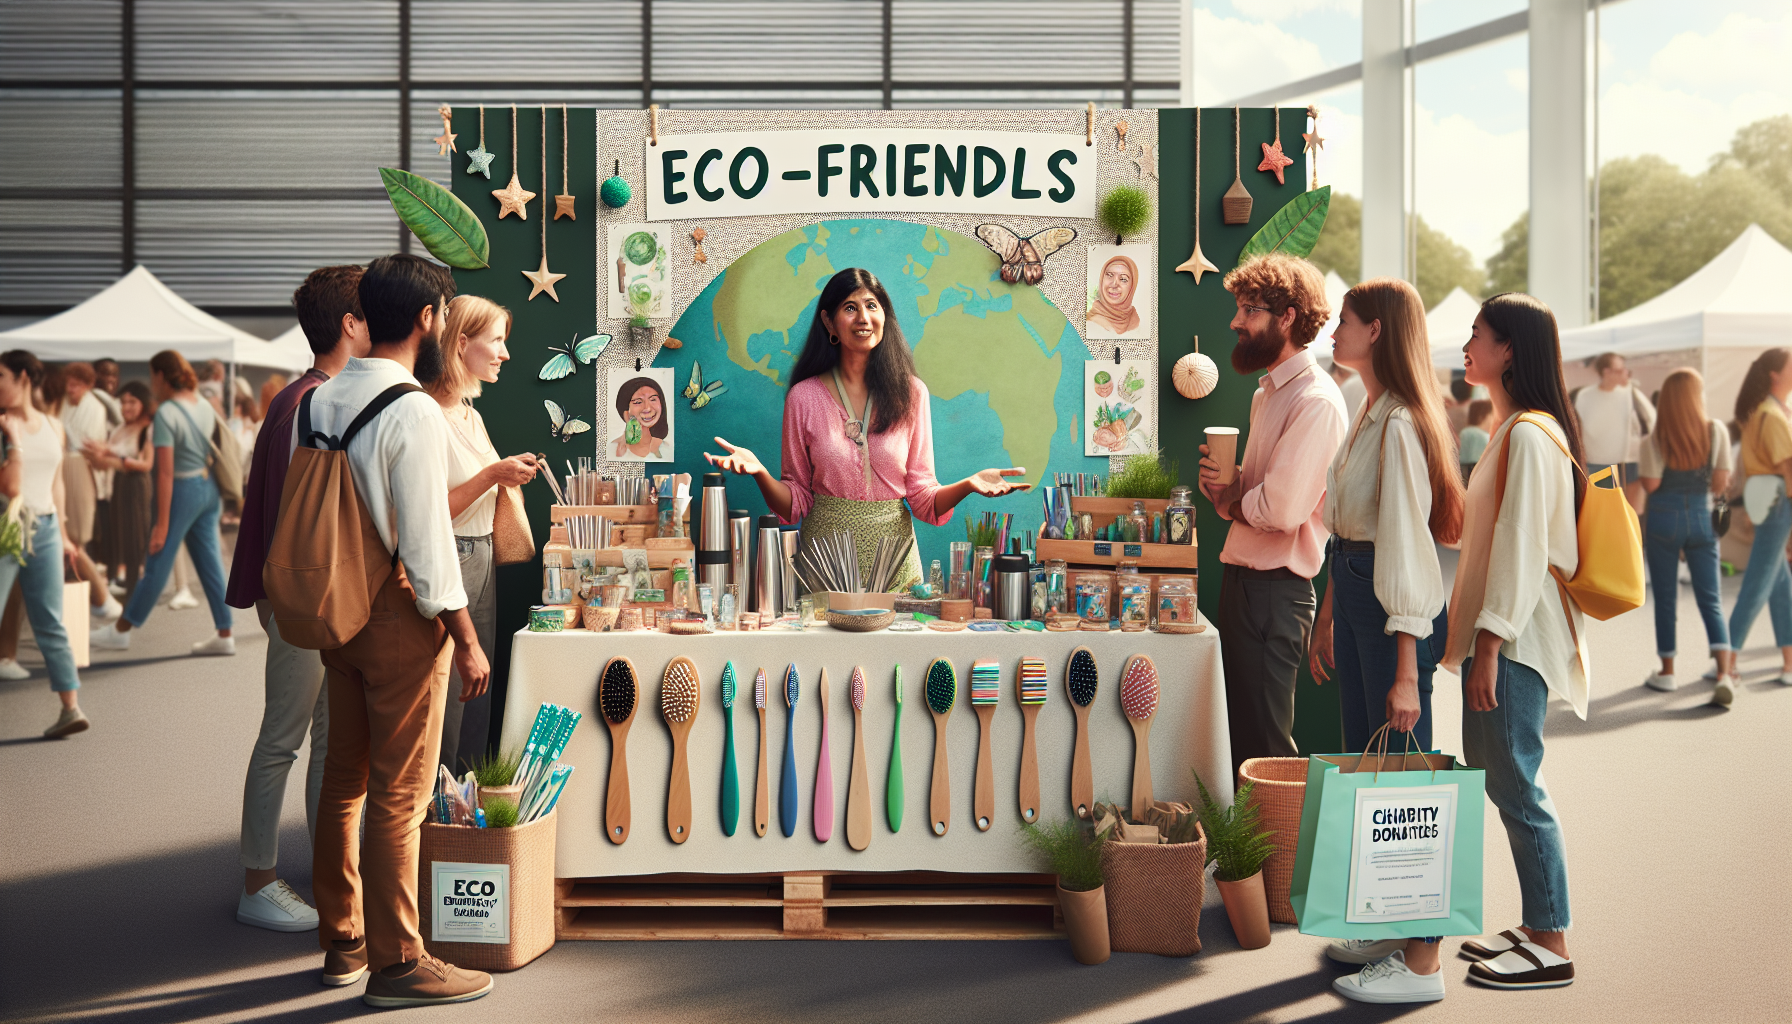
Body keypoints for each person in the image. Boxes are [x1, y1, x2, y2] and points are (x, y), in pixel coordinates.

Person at [303, 254, 493, 1006]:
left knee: (344, 780)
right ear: (427, 320)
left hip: (337, 610)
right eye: (444, 314)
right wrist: (465, 634)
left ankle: (342, 941)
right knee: (401, 794)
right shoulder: (411, 407)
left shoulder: (324, 396)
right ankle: (398, 962)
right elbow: (424, 538)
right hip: (398, 615)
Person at [1314, 278, 1464, 998]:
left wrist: (1408, 665)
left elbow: (1407, 546)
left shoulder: (1399, 421)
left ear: (1375, 330)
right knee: (1371, 774)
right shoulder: (1370, 408)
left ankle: (1423, 961)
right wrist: (1329, 613)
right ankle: (1386, 921)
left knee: (1407, 785)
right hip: (1359, 595)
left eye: (1343, 321)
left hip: (1391, 612)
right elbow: (1349, 530)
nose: (1333, 332)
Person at [704, 267, 1028, 590]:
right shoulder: (803, 397)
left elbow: (924, 500)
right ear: (829, 322)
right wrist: (760, 472)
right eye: (850, 308)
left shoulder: (913, 394)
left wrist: (969, 484)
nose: (863, 317)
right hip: (823, 565)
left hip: (896, 567)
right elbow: (796, 503)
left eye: (872, 306)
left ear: (884, 316)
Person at [1444, 293, 1584, 994]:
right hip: (1507, 633)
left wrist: (1490, 643)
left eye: (1478, 334)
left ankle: (1551, 938)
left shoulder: (1529, 434)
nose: (1467, 345)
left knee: (1517, 781)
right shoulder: (1516, 429)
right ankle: (1536, 926)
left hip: (1517, 637)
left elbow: (1524, 546)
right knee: (1504, 776)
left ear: (1509, 349)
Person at [225, 265, 370, 934]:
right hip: (305, 596)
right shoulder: (313, 402)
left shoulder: (302, 396)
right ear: (349, 323)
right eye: (370, 312)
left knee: (327, 738)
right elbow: (303, 514)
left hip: (306, 594)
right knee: (286, 736)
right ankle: (258, 881)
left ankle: (325, 874)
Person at [1198, 252, 1345, 772]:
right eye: (1239, 308)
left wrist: (1236, 500)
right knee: (1240, 737)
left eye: (1250, 310)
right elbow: (1260, 496)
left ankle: (1277, 856)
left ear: (1288, 316)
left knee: (1266, 751)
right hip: (1243, 581)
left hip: (1276, 590)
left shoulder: (1316, 401)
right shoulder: (1267, 395)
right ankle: (1248, 855)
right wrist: (1227, 486)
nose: (1236, 322)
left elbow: (1281, 509)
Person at [427, 294, 538, 773]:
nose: (505, 353)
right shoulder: (427, 415)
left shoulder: (471, 414)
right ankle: (433, 823)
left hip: (482, 557)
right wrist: (495, 474)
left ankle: (462, 822)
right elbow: (428, 513)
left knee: (476, 694)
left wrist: (504, 473)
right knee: (447, 699)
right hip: (450, 558)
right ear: (461, 341)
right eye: (496, 340)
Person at [89, 351, 235, 656]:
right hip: (208, 486)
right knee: (210, 563)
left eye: (152, 375)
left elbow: (166, 473)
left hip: (181, 488)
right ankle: (225, 631)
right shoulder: (203, 404)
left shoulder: (167, 412)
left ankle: (122, 630)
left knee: (157, 561)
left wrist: (161, 524)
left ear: (160, 375)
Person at [0, 352, 89, 737]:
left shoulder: (54, 424)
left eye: (0, 376)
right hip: (7, 527)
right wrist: (14, 442)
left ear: (22, 377)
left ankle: (70, 709)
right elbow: (11, 487)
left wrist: (65, 533)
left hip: (47, 527)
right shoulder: (3, 426)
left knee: (50, 620)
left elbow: (57, 481)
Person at [1636, 369, 1736, 700]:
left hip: (1664, 520)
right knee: (1711, 598)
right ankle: (1724, 672)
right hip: (1702, 518)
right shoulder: (1716, 431)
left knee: (1666, 598)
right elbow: (1720, 482)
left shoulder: (1654, 438)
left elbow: (1650, 485)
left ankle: (1667, 672)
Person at [1725, 348, 1792, 690]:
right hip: (1780, 500)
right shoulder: (1774, 415)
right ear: (1775, 375)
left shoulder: (1763, 411)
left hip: (1765, 499)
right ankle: (1728, 659)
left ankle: (1789, 660)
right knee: (1761, 580)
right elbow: (1787, 467)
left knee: (1780, 583)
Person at [59, 363, 124, 621]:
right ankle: (81, 610)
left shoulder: (94, 408)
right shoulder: (64, 404)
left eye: (75, 384)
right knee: (69, 547)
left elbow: (86, 445)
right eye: (68, 383)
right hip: (65, 470)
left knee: (75, 543)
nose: (70, 389)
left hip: (80, 473)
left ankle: (92, 605)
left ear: (87, 385)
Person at [82, 382, 155, 602]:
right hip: (119, 484)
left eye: (132, 401)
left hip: (137, 485)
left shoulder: (147, 429)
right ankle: (123, 582)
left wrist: (114, 457)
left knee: (135, 537)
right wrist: (97, 455)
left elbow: (146, 464)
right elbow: (106, 461)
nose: (126, 407)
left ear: (143, 403)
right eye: (123, 402)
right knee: (118, 535)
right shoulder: (120, 428)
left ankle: (135, 588)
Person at [1573, 351, 1654, 511]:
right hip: (1594, 464)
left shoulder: (1630, 394)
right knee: (1603, 513)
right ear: (1606, 372)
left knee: (1630, 514)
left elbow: (1651, 422)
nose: (1625, 374)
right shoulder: (1585, 396)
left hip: (1628, 463)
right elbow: (1578, 427)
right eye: (1620, 370)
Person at [610, 376, 671, 459]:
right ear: (626, 411)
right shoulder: (612, 450)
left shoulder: (667, 449)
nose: (647, 408)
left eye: (653, 400)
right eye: (638, 402)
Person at [1085, 253, 1142, 336]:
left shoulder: (1136, 322)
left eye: (1123, 279)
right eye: (1109, 275)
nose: (1114, 284)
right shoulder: (1090, 323)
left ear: (1132, 286)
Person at [1459, 398, 1493, 484]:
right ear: (1484, 415)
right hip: (1476, 476)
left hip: (1462, 475)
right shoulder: (1483, 436)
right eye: (1492, 414)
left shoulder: (1465, 432)